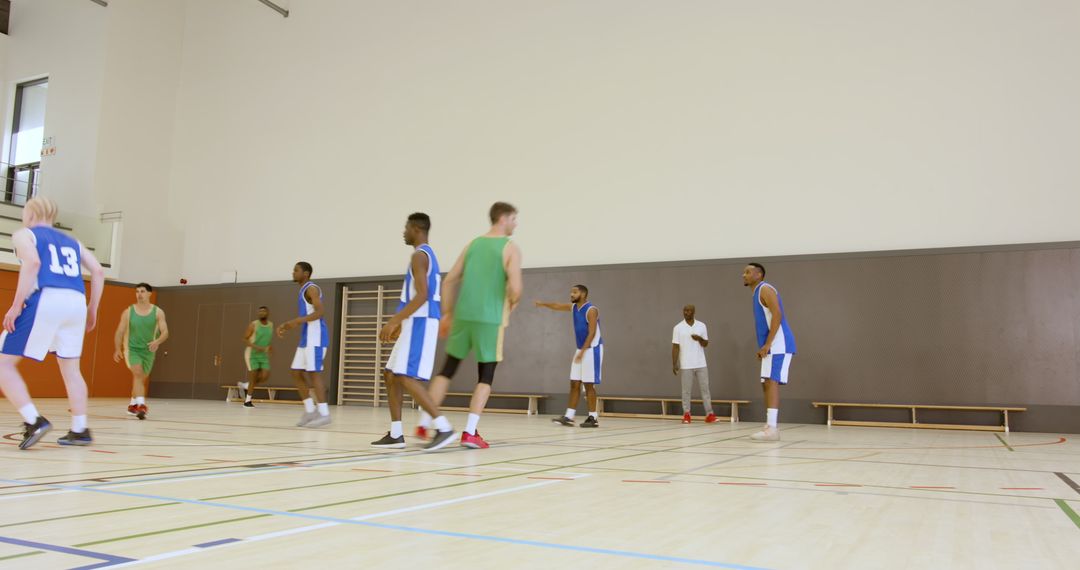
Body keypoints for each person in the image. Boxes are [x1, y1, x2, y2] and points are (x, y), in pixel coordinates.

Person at [0, 197, 105, 448]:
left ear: (30, 213)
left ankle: (33, 420)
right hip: (76, 302)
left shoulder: (24, 234)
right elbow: (98, 271)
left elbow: (34, 263)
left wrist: (16, 307)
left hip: (48, 297)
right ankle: (80, 429)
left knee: (3, 364)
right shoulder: (72, 241)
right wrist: (92, 309)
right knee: (71, 369)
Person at [422, 202, 523, 449]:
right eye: (513, 218)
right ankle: (469, 432)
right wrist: (512, 301)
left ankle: (425, 423)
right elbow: (517, 288)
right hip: (490, 318)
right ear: (502, 219)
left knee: (447, 369)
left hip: (463, 316)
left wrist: (446, 314)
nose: (515, 223)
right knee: (485, 375)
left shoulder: (472, 245)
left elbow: (448, 281)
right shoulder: (510, 248)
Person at [370, 212, 457, 451]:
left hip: (421, 320)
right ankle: (396, 434)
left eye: (406, 227)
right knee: (391, 374)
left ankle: (443, 427)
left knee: (405, 376)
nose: (403, 232)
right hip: (415, 321)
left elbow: (422, 295)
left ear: (416, 229)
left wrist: (394, 321)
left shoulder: (419, 256)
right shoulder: (425, 255)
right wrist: (402, 322)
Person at [742, 262, 796, 442]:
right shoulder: (756, 293)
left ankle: (772, 429)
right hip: (771, 345)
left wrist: (768, 344)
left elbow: (777, 315)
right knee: (765, 382)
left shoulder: (765, 289)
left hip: (779, 344)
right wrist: (764, 346)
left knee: (771, 382)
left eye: (748, 272)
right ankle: (769, 426)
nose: (744, 275)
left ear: (759, 275)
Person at [537, 284, 602, 428]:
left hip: (592, 349)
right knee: (574, 383)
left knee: (588, 385)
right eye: (571, 292)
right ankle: (569, 416)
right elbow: (557, 305)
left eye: (574, 292)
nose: (571, 294)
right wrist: (543, 304)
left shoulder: (591, 310)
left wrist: (583, 352)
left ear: (583, 294)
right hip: (581, 349)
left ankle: (593, 418)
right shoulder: (573, 308)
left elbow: (591, 333)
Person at [277, 262, 331, 428]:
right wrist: (287, 324)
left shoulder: (311, 289)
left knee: (314, 374)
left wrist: (296, 321)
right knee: (296, 372)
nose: (293, 272)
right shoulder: (302, 290)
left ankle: (324, 413)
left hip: (316, 338)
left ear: (306, 273)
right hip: (306, 339)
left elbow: (320, 312)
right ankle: (310, 410)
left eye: (296, 270)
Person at [114, 282, 169, 420]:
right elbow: (119, 332)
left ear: (149, 293)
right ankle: (141, 406)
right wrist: (117, 349)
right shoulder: (128, 312)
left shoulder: (158, 312)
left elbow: (165, 332)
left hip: (149, 351)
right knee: (138, 374)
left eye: (142, 291)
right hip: (132, 349)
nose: (139, 294)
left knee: (140, 379)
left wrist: (157, 341)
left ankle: (132, 405)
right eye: (137, 291)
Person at [672, 304, 718, 423]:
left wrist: (699, 339)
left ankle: (709, 414)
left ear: (694, 312)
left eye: (689, 311)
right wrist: (674, 363)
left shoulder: (701, 326)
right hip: (686, 364)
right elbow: (675, 346)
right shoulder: (678, 327)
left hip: (701, 363)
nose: (686, 312)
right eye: (685, 310)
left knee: (705, 389)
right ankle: (686, 414)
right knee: (686, 391)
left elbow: (706, 344)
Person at [238, 306, 273, 407]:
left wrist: (269, 347)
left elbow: (267, 338)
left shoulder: (271, 325)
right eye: (260, 311)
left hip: (263, 354)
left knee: (265, 376)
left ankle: (247, 385)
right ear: (258, 313)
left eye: (264, 311)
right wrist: (257, 347)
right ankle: (247, 401)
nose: (262, 313)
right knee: (253, 376)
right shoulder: (253, 325)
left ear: (267, 313)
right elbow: (245, 339)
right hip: (251, 353)